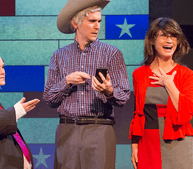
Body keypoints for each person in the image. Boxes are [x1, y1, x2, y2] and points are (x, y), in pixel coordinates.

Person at [43, 0, 130, 168]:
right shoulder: (59, 56)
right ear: (76, 23)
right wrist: (67, 82)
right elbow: (49, 99)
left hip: (100, 129)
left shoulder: (112, 53)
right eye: (92, 21)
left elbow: (124, 96)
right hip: (68, 129)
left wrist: (109, 90)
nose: (97, 26)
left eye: (99, 21)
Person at [129, 18, 193, 169]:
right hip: (147, 142)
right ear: (152, 39)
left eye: (174, 36)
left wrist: (169, 83)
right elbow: (138, 114)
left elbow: (186, 112)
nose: (169, 41)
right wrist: (134, 145)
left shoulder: (186, 74)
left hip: (177, 142)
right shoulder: (139, 74)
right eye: (164, 35)